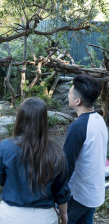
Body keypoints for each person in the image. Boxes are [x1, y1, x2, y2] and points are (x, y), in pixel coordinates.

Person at [0, 97, 70, 224]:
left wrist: (15, 182)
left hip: (11, 215)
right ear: (44, 120)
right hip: (44, 217)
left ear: (20, 118)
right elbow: (61, 190)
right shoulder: (56, 151)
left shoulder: (5, 147)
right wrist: (64, 214)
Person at [63, 74, 108, 224]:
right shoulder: (99, 120)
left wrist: (59, 195)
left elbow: (66, 165)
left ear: (78, 101)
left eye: (70, 93)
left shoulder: (77, 127)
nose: (68, 95)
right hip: (95, 192)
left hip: (78, 195)